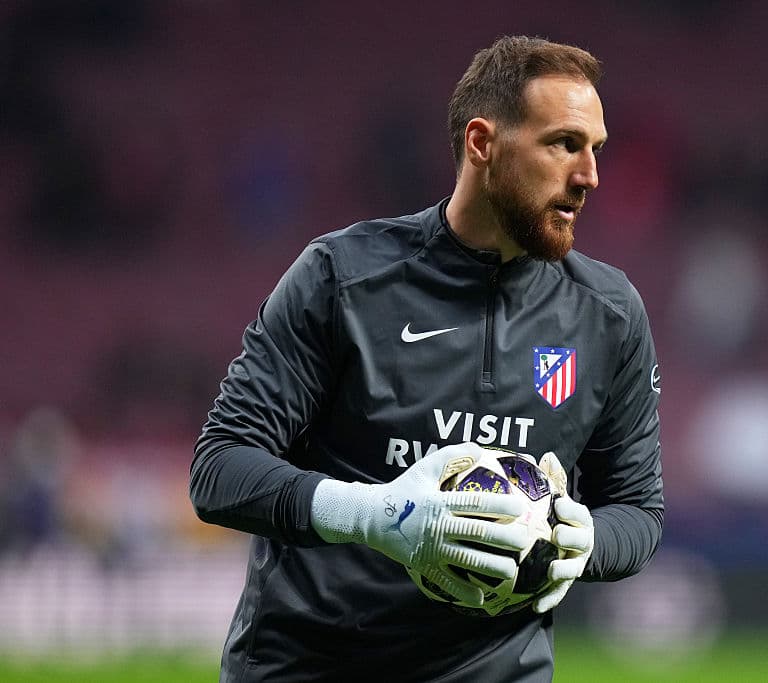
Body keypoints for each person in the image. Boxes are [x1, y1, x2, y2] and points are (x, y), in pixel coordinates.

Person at [190, 35, 664, 682]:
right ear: (481, 144)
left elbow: (636, 509)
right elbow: (220, 469)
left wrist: (584, 542)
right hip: (311, 666)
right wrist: (378, 515)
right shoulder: (342, 279)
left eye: (595, 150)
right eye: (563, 144)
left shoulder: (608, 313)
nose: (589, 176)